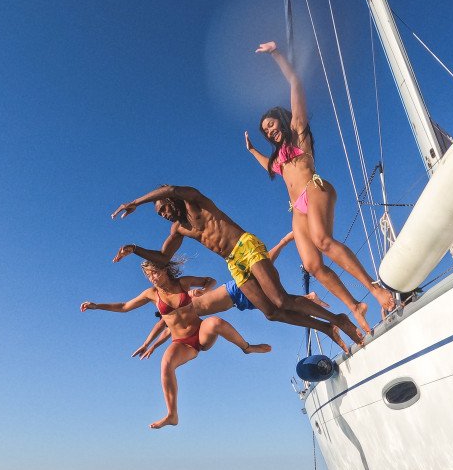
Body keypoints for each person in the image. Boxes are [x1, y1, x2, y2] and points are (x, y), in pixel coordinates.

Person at [249, 40, 399, 333]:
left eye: (271, 124)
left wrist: (277, 54)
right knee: (312, 266)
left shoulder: (298, 132)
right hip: (297, 208)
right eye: (266, 131)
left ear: (281, 120)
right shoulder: (277, 158)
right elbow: (267, 165)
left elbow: (296, 83)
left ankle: (377, 289)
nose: (271, 130)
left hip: (315, 189)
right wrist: (252, 150)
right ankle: (356, 306)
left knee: (323, 240)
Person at [111, 184, 363, 352]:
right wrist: (135, 249)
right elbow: (164, 257)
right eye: (160, 214)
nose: (164, 214)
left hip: (245, 245)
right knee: (271, 313)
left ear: (169, 200)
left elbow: (171, 188)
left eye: (163, 208)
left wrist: (136, 202)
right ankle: (326, 327)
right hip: (233, 262)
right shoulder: (178, 228)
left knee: (280, 299)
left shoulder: (193, 203)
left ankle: (338, 319)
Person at [81, 259, 270, 429]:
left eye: (155, 272)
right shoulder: (151, 294)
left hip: (201, 332)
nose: (152, 278)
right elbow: (124, 307)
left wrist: (203, 292)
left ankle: (247, 348)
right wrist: (97, 306)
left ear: (165, 270)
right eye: (148, 275)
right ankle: (172, 414)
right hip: (183, 343)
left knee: (215, 322)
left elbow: (210, 280)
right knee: (166, 364)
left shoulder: (182, 283)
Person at [133, 232, 328, 359]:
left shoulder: (181, 301)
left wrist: (148, 344)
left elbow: (162, 328)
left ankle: (285, 240)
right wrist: (151, 347)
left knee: (261, 269)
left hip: (233, 291)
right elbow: (168, 331)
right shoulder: (177, 320)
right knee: (278, 304)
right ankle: (309, 298)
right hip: (239, 302)